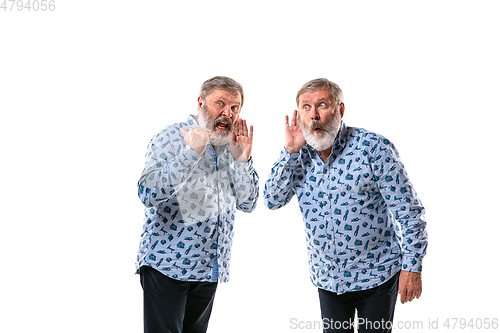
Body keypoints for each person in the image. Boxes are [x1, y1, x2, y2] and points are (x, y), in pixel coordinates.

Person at [263, 78, 428, 333]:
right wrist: (289, 151)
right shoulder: (298, 155)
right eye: (306, 107)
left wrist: (412, 265)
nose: (314, 115)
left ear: (339, 110)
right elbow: (272, 200)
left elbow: (408, 210)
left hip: (377, 275)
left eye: (322, 105)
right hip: (328, 280)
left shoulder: (373, 147)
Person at [136, 76, 259, 333]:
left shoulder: (232, 146)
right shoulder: (171, 137)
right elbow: (147, 193)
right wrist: (191, 153)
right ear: (201, 102)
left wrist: (242, 161)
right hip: (167, 266)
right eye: (220, 103)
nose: (228, 113)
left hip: (208, 269)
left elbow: (249, 203)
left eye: (235, 107)